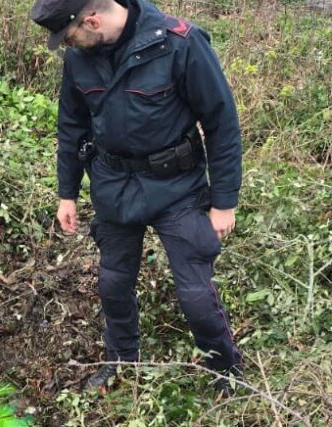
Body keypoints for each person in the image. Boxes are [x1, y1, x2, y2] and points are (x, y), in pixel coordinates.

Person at [30, 0, 244, 397]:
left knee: (196, 295)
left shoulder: (180, 42)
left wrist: (224, 201)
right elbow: (71, 126)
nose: (68, 45)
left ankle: (226, 370)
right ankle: (121, 360)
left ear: (91, 19)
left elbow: (221, 123)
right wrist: (67, 193)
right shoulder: (81, 58)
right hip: (114, 186)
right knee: (113, 284)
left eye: (69, 35)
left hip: (176, 187)